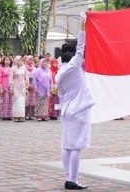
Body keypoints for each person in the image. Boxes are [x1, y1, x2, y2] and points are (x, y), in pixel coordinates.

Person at [56, 12, 93, 190]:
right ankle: (73, 179)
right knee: (76, 147)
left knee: (67, 146)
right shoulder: (75, 65)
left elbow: (61, 95)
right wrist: (82, 25)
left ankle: (68, 178)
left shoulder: (58, 74)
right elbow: (81, 45)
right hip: (79, 110)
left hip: (67, 111)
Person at [9, 56, 28, 122]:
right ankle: (16, 116)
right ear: (16, 61)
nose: (20, 61)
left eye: (21, 60)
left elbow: (26, 78)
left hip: (22, 87)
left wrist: (27, 88)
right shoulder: (13, 69)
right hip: (16, 86)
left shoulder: (24, 68)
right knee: (16, 101)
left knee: (22, 101)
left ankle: (21, 116)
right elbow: (11, 79)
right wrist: (11, 88)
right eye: (19, 60)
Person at [25, 55, 37, 120]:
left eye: (32, 60)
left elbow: (36, 78)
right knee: (26, 100)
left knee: (32, 100)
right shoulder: (24, 67)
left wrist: (34, 85)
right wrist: (27, 85)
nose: (31, 61)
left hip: (33, 86)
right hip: (26, 85)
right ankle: (25, 114)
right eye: (29, 59)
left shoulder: (35, 68)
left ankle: (31, 115)